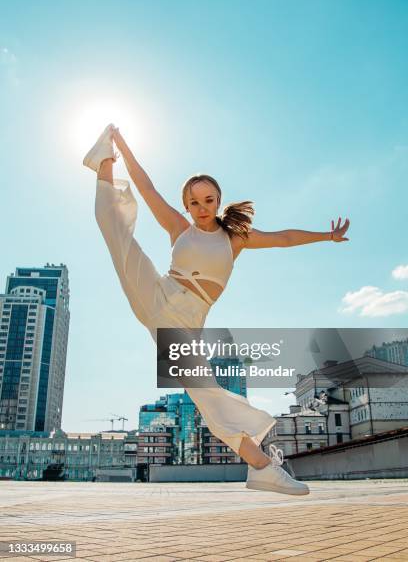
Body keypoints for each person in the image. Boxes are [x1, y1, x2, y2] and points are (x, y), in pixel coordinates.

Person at [83, 124, 350, 495]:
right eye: (194, 202)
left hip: (186, 323)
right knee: (121, 244)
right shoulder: (179, 227)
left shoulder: (234, 238)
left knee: (206, 395)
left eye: (208, 200)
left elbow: (283, 238)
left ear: (219, 199)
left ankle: (260, 468)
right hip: (162, 294)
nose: (201, 208)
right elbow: (146, 188)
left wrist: (326, 236)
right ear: (186, 205)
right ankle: (104, 163)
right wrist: (122, 145)